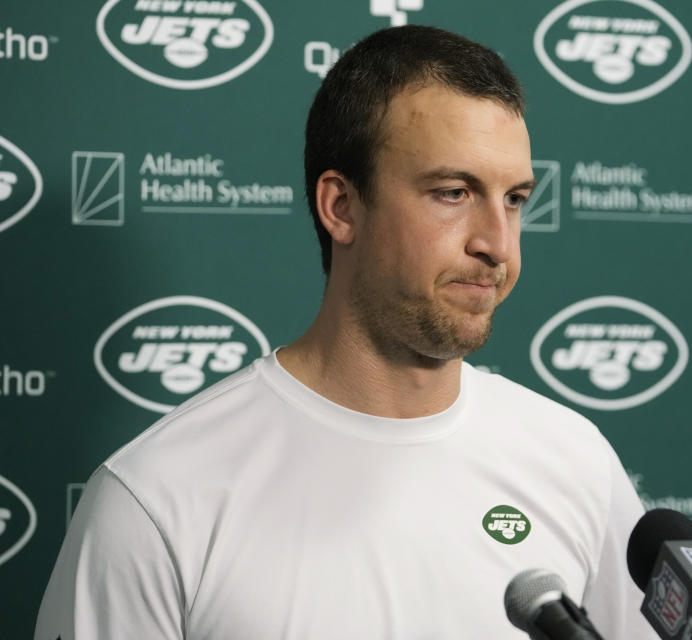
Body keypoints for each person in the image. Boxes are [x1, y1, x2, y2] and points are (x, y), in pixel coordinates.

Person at [35, 25, 657, 639]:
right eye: (452, 192)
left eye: (515, 198)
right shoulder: (156, 498)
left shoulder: (574, 460)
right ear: (341, 207)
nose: (497, 244)